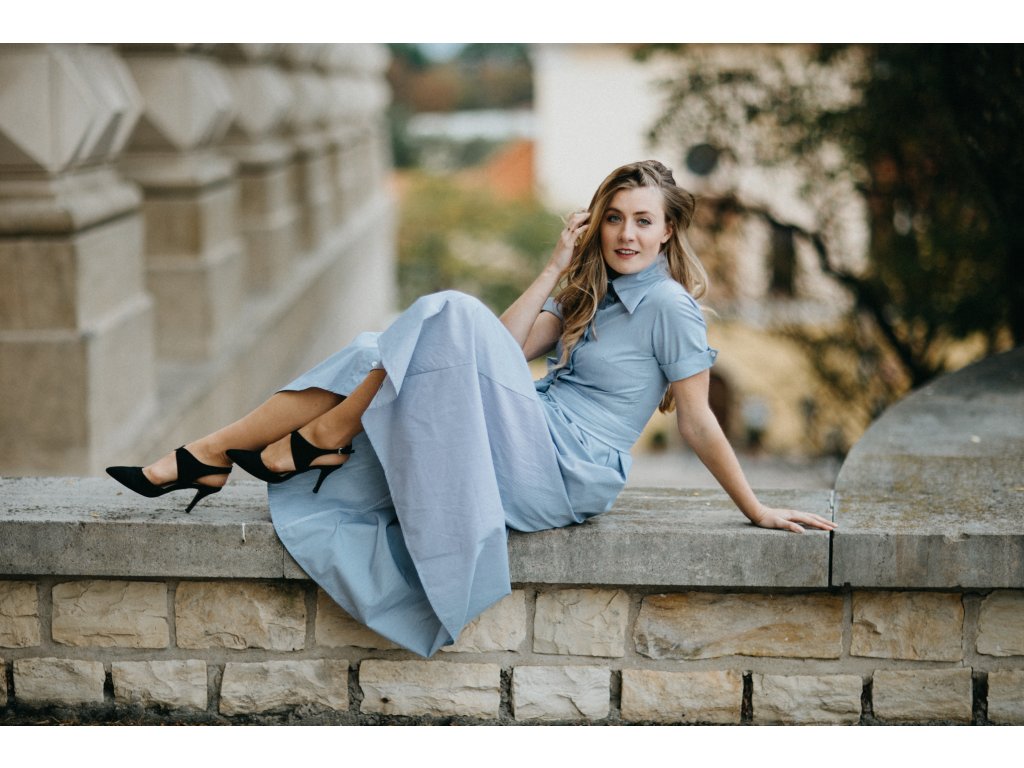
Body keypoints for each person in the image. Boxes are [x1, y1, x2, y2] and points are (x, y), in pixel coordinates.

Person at [107, 160, 835, 656]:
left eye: (644, 221)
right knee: (373, 350)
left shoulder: (671, 308)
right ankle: (208, 455)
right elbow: (507, 347)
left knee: (446, 312)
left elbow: (700, 420)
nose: (626, 234)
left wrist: (756, 509)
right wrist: (555, 266)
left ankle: (323, 432)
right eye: (614, 218)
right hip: (530, 432)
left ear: (668, 230)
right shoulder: (591, 291)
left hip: (569, 468)